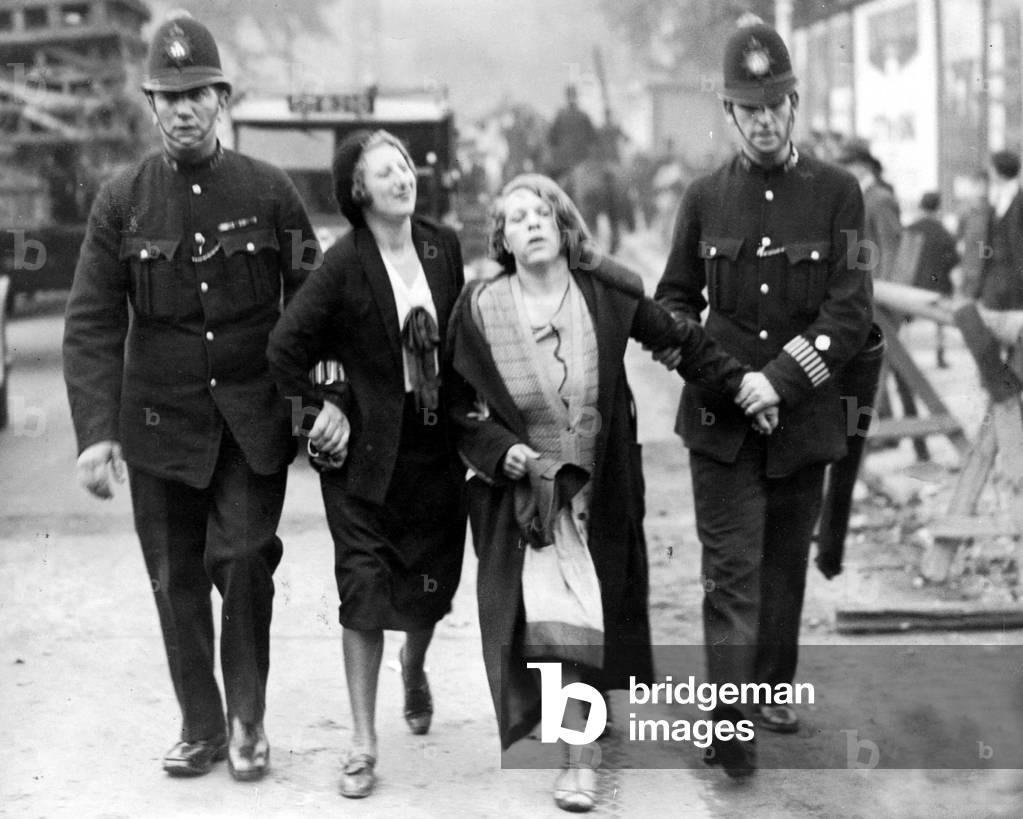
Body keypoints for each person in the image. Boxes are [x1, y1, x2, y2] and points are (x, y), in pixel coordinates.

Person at [447, 173, 777, 812]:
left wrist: (742, 389)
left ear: (566, 227)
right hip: (531, 500)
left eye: (544, 211)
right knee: (560, 624)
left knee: (589, 620)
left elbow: (681, 343)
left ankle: (583, 734)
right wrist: (499, 450)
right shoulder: (481, 308)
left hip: (602, 487)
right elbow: (457, 408)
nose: (532, 222)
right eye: (517, 217)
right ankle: (580, 759)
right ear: (503, 239)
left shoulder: (604, 294)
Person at [62, 13, 319, 781]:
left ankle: (247, 720)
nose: (181, 109)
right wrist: (94, 432)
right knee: (174, 579)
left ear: (221, 99)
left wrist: (315, 408)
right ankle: (200, 725)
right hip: (158, 426)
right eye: (166, 96)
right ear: (148, 104)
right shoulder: (122, 201)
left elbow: (312, 301)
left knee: (242, 559)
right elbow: (93, 321)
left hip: (250, 421)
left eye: (196, 94)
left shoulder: (269, 191)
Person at [654, 22, 873, 777]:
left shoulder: (840, 195)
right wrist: (730, 381)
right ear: (727, 113)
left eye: (776, 103)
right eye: (749, 108)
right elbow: (671, 307)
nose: (765, 119)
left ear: (795, 103)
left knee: (782, 563)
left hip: (805, 416)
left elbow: (848, 311)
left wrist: (775, 382)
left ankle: (770, 684)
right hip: (720, 421)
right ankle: (728, 716)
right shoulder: (701, 197)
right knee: (730, 567)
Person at [267, 129, 467, 799]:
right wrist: (320, 410)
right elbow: (284, 349)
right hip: (361, 461)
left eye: (404, 165)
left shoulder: (442, 247)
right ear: (358, 191)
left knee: (427, 593)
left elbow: (460, 344)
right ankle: (361, 740)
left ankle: (414, 665)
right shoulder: (342, 264)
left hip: (433, 452)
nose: (401, 178)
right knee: (363, 592)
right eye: (384, 172)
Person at [837, 140, 930, 460]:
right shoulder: (860, 195)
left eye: (847, 165)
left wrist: (884, 292)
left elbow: (891, 246)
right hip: (864, 291)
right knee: (877, 362)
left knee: (877, 363)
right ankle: (886, 427)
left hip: (879, 296)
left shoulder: (880, 198)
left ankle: (878, 430)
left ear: (861, 167)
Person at [905, 191, 959, 367]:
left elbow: (904, 260)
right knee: (939, 322)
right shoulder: (943, 232)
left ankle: (906, 357)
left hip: (913, 283)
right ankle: (940, 356)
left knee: (906, 322)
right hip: (938, 283)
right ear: (938, 207)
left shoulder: (911, 228)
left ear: (921, 206)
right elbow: (954, 259)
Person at [547, 85, 598, 184]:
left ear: (566, 97)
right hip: (584, 161)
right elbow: (594, 138)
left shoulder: (560, 116)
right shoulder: (584, 115)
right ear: (576, 97)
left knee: (553, 187)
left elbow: (551, 138)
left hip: (564, 164)